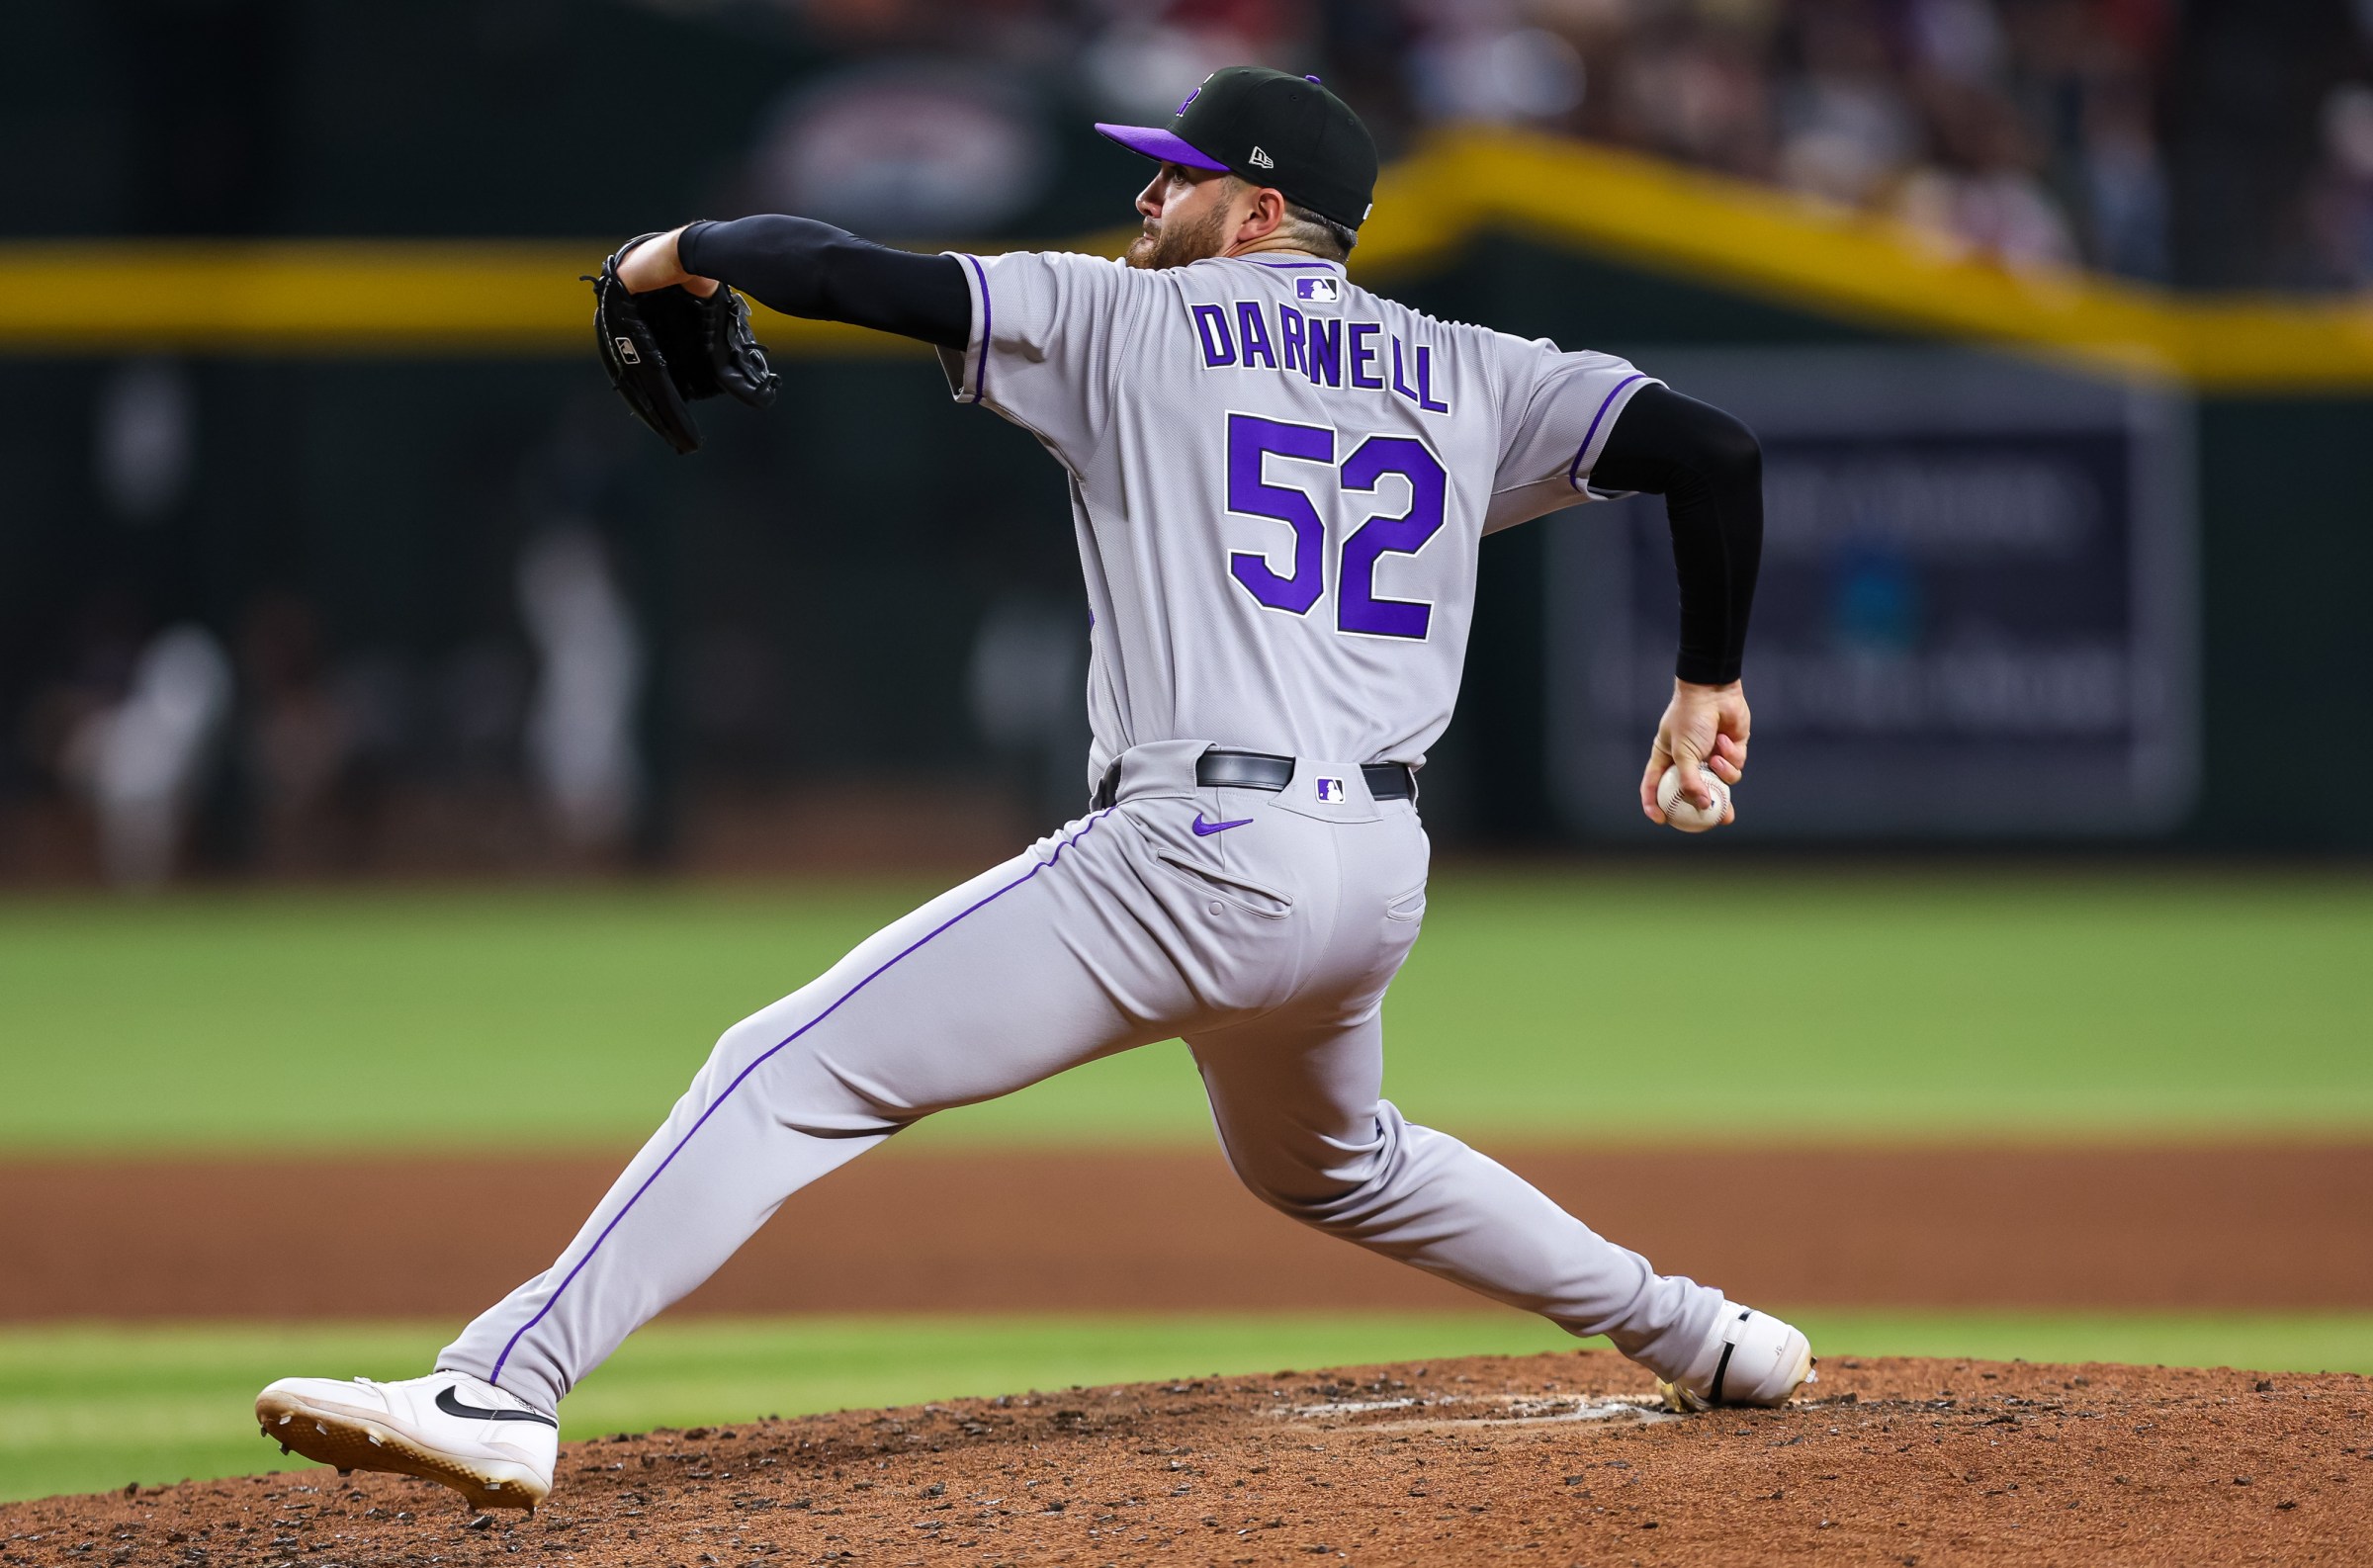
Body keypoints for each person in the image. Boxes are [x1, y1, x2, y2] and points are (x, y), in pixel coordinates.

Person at [255, 66, 1802, 1512]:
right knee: (1336, 1160)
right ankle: (1701, 1334)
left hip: (1195, 850)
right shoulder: (1472, 369)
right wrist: (1704, 679)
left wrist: (677, 250)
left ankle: (498, 1386)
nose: (1147, 203)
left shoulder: (1129, 324)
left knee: (785, 1065)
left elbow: (847, 269)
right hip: (1374, 872)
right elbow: (1714, 452)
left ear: (1256, 216)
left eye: (1179, 182)